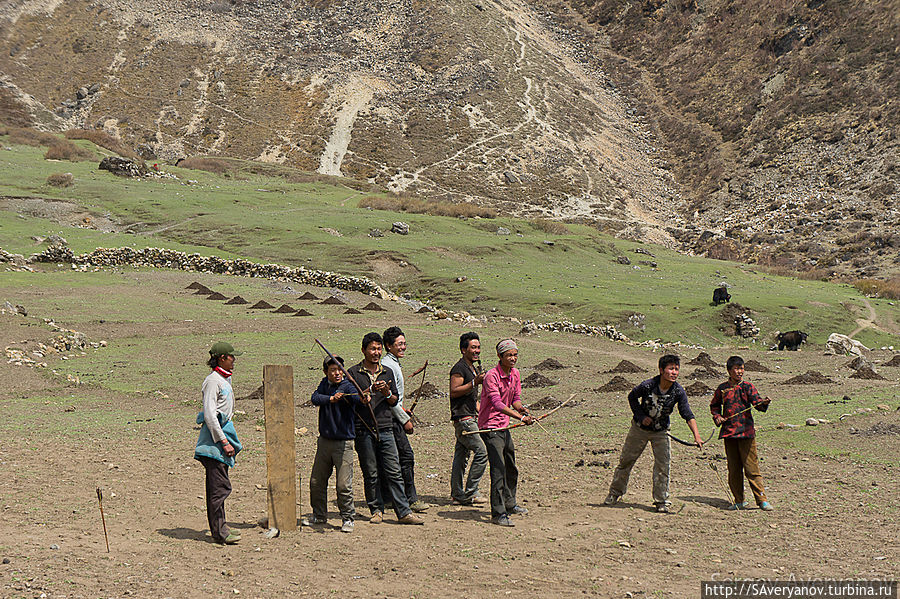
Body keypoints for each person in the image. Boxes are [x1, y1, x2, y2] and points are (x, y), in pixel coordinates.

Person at [604, 354, 703, 513]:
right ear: (661, 370)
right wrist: (641, 417)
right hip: (639, 430)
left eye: (676, 369)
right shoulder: (647, 385)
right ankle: (614, 493)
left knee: (663, 466)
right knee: (626, 461)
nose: (674, 372)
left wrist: (697, 436)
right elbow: (632, 397)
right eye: (671, 369)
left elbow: (687, 414)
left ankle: (661, 500)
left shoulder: (678, 391)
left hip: (661, 432)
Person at [348, 332, 424, 525]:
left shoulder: (387, 371)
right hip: (364, 429)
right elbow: (349, 400)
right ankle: (376, 510)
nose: (376, 352)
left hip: (386, 427)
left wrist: (386, 392)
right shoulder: (353, 373)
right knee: (371, 473)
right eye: (372, 349)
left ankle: (404, 512)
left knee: (394, 471)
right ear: (363, 350)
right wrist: (365, 394)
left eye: (379, 349)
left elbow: (394, 400)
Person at [194, 341, 244, 544]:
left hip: (221, 436)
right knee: (218, 487)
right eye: (232, 356)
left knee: (219, 485)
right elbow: (210, 415)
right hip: (215, 441)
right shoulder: (213, 381)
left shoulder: (224, 380)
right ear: (222, 358)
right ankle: (219, 532)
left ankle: (221, 527)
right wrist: (224, 442)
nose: (234, 359)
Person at [479, 339, 533, 526]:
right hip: (491, 427)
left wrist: (523, 410)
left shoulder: (515, 374)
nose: (513, 358)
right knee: (498, 470)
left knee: (511, 466)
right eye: (509, 355)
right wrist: (520, 417)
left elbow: (515, 399)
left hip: (504, 426)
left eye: (515, 355)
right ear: (499, 356)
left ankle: (510, 504)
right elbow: (497, 404)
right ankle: (498, 513)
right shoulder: (491, 376)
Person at [309, 355, 363, 533]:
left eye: (340, 369)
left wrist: (363, 397)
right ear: (326, 372)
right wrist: (331, 399)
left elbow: (357, 399)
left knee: (343, 485)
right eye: (333, 370)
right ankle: (319, 515)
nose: (337, 373)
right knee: (317, 481)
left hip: (343, 444)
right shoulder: (324, 384)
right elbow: (315, 398)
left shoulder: (348, 385)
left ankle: (348, 518)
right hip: (324, 442)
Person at [711, 356, 773, 511]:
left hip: (746, 433)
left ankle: (762, 500)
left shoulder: (748, 387)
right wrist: (718, 417)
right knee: (734, 469)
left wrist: (763, 403)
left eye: (742, 368)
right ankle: (739, 500)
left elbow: (757, 403)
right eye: (736, 369)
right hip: (729, 433)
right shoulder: (722, 389)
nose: (739, 372)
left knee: (751, 468)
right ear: (729, 371)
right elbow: (714, 406)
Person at [380, 326, 429, 513]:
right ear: (388, 346)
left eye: (404, 344)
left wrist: (402, 408)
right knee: (406, 457)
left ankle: (389, 498)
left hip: (394, 414)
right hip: (393, 419)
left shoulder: (392, 362)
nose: (403, 347)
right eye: (399, 344)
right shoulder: (389, 365)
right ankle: (411, 499)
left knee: (392, 458)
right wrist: (404, 419)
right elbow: (389, 397)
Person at [448, 332, 488, 506]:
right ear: (464, 349)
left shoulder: (472, 367)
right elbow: (454, 391)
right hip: (463, 419)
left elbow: (472, 398)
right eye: (473, 347)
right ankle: (471, 492)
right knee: (482, 452)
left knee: (461, 456)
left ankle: (457, 494)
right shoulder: (459, 368)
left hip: (469, 416)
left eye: (478, 347)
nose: (477, 351)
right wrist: (475, 383)